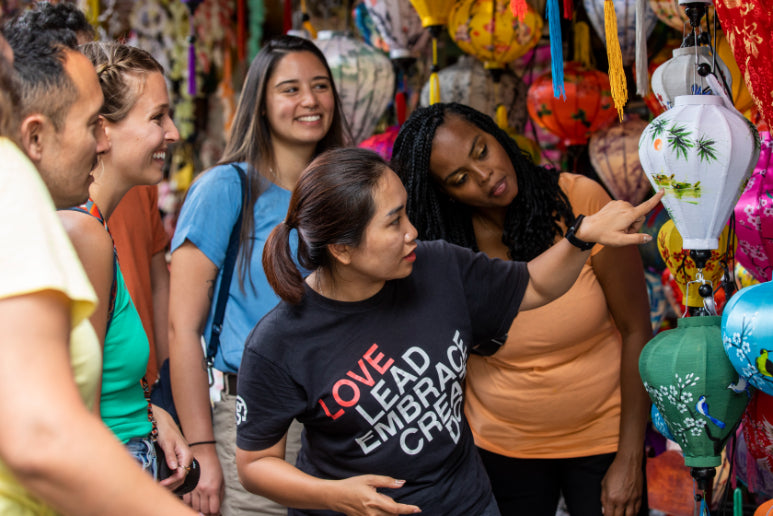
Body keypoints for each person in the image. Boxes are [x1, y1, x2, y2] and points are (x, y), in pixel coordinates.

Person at [234, 147, 662, 515]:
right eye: (394, 221)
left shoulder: (437, 266)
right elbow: (254, 465)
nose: (412, 232)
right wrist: (334, 496)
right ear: (342, 250)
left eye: (407, 213)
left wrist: (582, 237)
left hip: (466, 502)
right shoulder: (279, 343)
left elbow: (532, 283)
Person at [390, 102, 653, 516]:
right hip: (500, 450)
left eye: (481, 151)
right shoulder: (445, 247)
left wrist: (630, 458)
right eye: (460, 178)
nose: (485, 175)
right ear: (445, 193)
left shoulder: (580, 201)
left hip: (604, 441)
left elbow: (638, 329)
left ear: (495, 134)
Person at [0, 31, 195, 516]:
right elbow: (45, 433)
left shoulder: (74, 219)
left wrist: (149, 411)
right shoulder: (41, 206)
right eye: (93, 123)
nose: (171, 132)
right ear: (36, 135)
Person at [169, 33, 350, 516]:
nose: (310, 100)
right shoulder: (224, 189)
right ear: (261, 104)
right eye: (290, 89)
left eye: (320, 86)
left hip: (347, 422)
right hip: (255, 427)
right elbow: (181, 330)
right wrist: (203, 449)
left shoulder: (350, 193)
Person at [8, 0, 170, 385]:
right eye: (89, 121)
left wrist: (153, 404)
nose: (98, 142)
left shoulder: (99, 211)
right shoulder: (71, 229)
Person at [55, 40, 191, 489]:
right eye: (157, 117)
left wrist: (152, 412)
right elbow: (74, 407)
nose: (172, 133)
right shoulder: (83, 231)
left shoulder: (96, 222)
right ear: (103, 130)